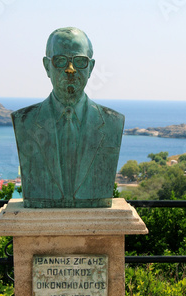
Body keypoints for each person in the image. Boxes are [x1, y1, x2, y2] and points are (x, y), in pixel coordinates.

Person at [12, 27, 125, 208]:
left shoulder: (112, 122)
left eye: (80, 61)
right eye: (60, 61)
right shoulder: (25, 121)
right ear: (47, 66)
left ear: (91, 67)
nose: (70, 69)